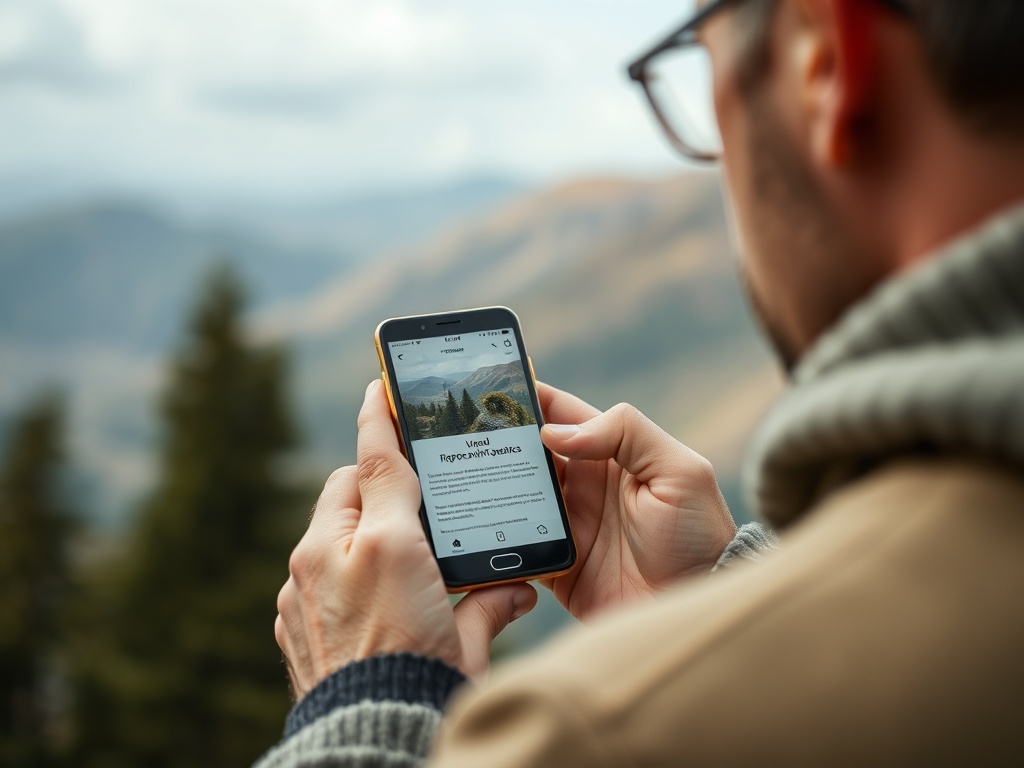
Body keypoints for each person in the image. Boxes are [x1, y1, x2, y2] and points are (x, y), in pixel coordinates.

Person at [260, 0, 1024, 765]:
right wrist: (724, 601)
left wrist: (365, 704)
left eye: (700, 66)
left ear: (824, 61)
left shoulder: (585, 733)